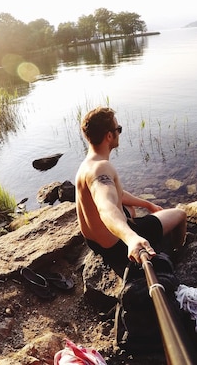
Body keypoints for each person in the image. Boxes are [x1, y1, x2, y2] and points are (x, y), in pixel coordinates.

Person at [75, 107, 187, 270]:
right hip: (117, 246)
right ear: (109, 135)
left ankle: (133, 225)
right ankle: (177, 254)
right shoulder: (101, 168)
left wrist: (147, 205)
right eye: (118, 129)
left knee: (130, 209)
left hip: (94, 242)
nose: (119, 133)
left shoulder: (86, 165)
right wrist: (131, 238)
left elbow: (115, 194)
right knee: (180, 214)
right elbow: (106, 207)